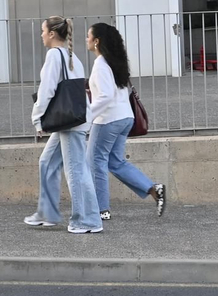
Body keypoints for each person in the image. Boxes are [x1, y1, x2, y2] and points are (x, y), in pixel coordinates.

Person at [25, 16, 103, 233]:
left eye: (43, 31)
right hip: (72, 120)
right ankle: (47, 213)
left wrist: (37, 118)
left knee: (76, 171)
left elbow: (47, 89)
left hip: (68, 124)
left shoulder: (54, 55)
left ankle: (87, 221)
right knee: (47, 162)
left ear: (52, 34)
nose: (41, 35)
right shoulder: (71, 56)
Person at [85, 22, 167, 220]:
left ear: (97, 41)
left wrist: (87, 116)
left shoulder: (101, 64)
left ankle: (101, 210)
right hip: (125, 118)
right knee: (115, 161)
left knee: (95, 162)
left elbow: (105, 96)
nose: (86, 40)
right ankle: (154, 189)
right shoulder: (115, 62)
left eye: (88, 36)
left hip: (108, 120)